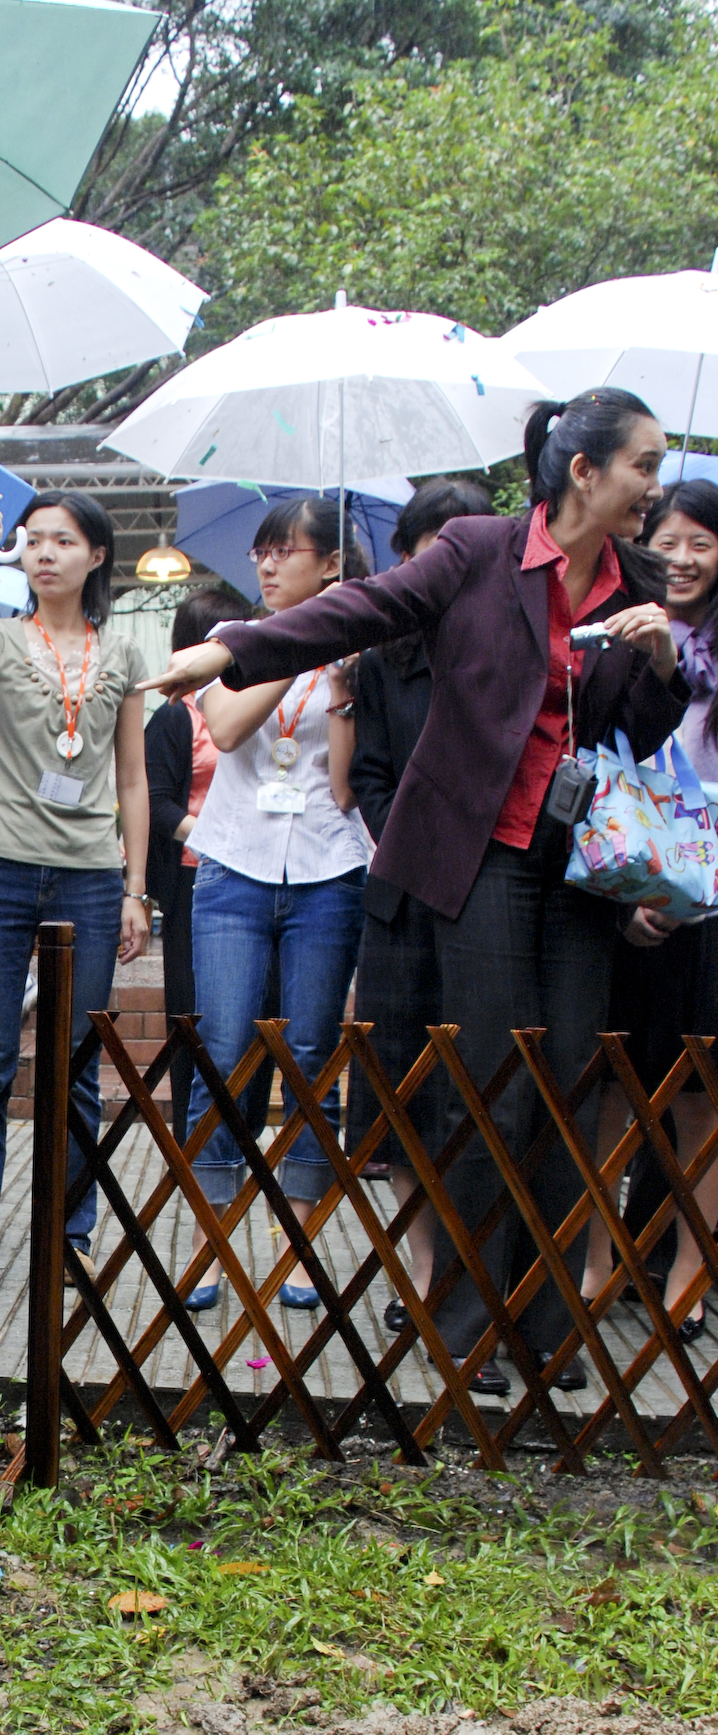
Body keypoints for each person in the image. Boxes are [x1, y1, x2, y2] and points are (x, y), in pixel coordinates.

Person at [155, 391, 684, 1391]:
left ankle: (550, 1327)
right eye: (644, 465)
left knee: (571, 1084)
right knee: (493, 1084)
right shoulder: (481, 552)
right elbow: (363, 608)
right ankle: (469, 1320)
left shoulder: (639, 580)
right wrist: (235, 647)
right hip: (476, 857)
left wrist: (659, 659)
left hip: (578, 867)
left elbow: (636, 728)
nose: (655, 486)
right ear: (584, 471)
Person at [0, 491, 152, 1290]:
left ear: (97, 555)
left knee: (77, 1062)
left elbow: (133, 776)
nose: (46, 552)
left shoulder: (122, 653)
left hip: (90, 876)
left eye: (65, 540)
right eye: (34, 540)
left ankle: (71, 1232)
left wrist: (136, 888)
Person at [163, 500, 372, 1310]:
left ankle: (299, 1246)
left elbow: (347, 789)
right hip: (233, 867)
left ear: (332, 564)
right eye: (262, 551)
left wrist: (344, 689)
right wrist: (294, 643)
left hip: (328, 866)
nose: (268, 564)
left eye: (287, 550)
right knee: (222, 1054)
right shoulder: (232, 643)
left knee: (313, 1058)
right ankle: (207, 1244)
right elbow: (227, 727)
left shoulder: (361, 651)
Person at [347, 478, 496, 1320]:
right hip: (402, 895)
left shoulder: (509, 659)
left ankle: (481, 1272)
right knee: (403, 1086)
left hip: (492, 896)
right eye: (429, 552)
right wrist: (412, 844)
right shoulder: (382, 662)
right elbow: (368, 775)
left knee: (479, 1091)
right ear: (406, 560)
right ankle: (427, 1266)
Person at [581, 475, 718, 1332]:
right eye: (666, 541)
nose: (682, 558)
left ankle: (688, 1267)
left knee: (703, 1088)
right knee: (613, 1080)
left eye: (701, 542)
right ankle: (598, 1256)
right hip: (627, 880)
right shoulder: (614, 633)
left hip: (715, 894)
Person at [144, 585, 255, 1145]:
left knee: (256, 1016)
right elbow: (158, 803)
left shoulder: (259, 698)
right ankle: (193, 1142)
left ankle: (244, 1139)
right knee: (194, 1015)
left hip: (259, 872)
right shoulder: (174, 714)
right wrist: (216, 838)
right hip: (196, 875)